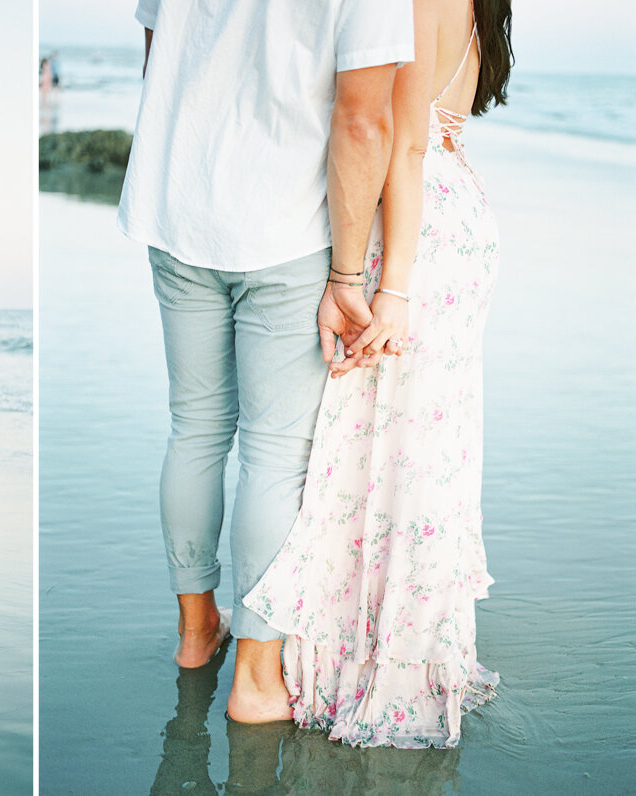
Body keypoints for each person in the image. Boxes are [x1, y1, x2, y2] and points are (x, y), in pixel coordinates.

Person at [117, 1, 415, 722]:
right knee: (275, 455)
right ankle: (254, 679)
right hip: (286, 221)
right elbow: (363, 120)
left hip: (178, 206)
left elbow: (160, 54)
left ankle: (195, 634)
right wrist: (349, 277)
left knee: (193, 429)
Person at [243, 0, 514, 747]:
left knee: (371, 447)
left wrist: (388, 286)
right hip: (458, 219)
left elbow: (400, 140)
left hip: (411, 229)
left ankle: (369, 667)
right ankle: (403, 649)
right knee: (421, 450)